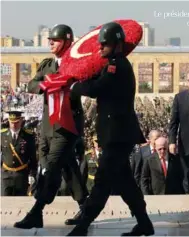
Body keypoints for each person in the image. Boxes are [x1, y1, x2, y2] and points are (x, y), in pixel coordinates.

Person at [66, 22, 154, 236]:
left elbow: (98, 88)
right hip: (116, 135)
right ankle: (144, 224)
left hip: (117, 135)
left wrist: (75, 87)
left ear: (116, 45)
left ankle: (83, 225)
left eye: (104, 44)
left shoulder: (117, 65)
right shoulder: (113, 65)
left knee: (102, 182)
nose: (100, 48)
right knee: (125, 183)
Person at [14, 24, 88, 229]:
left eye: (54, 40)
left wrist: (68, 83)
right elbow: (31, 84)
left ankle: (36, 212)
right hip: (48, 125)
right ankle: (86, 206)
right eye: (49, 40)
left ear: (67, 42)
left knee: (52, 166)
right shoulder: (47, 64)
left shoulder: (76, 64)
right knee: (67, 165)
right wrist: (45, 85)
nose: (50, 44)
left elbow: (87, 84)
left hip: (68, 124)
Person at [1, 111, 37, 196]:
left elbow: (33, 157)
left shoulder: (28, 136)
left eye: (16, 122)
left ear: (21, 120)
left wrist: (32, 174)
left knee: (20, 203)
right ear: (8, 121)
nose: (14, 125)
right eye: (12, 122)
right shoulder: (2, 135)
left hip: (21, 174)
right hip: (6, 175)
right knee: (4, 202)